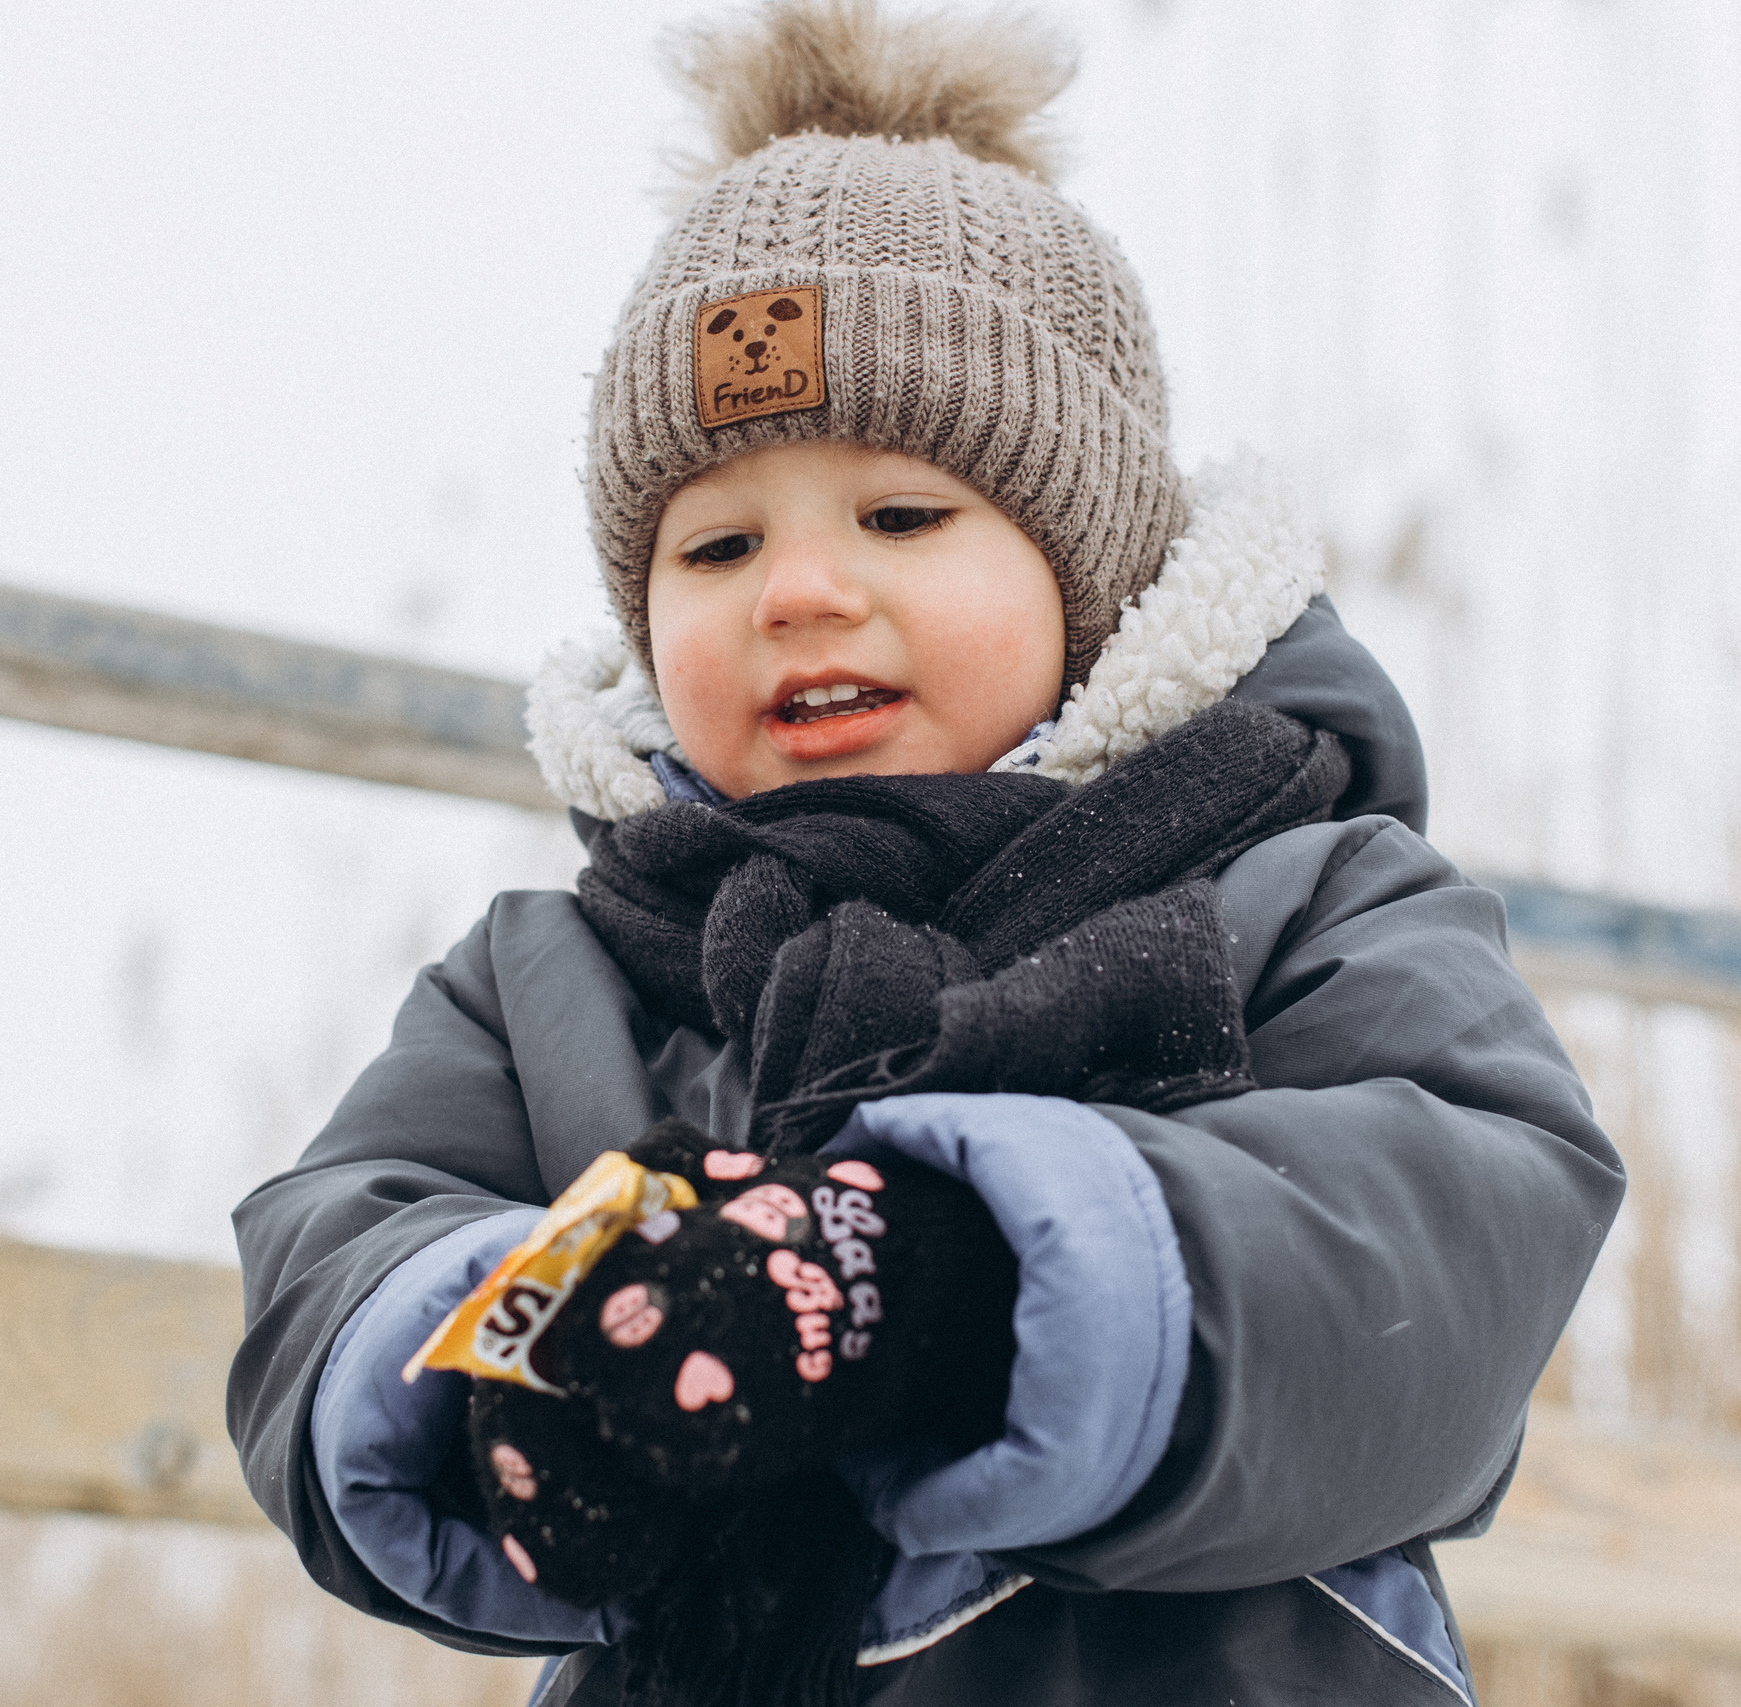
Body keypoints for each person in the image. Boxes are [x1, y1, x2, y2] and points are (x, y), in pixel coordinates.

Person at [226, 4, 1624, 1704]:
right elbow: (336, 1251)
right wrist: (518, 1350)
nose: (797, 590)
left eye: (900, 516)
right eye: (716, 544)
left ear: (1086, 569)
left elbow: (1451, 1237)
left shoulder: (1294, 892)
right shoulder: (561, 979)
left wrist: (941, 1285)